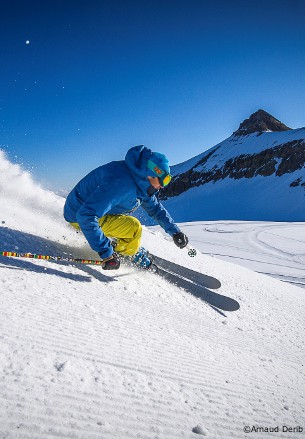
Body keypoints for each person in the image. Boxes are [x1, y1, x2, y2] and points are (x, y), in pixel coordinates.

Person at [64, 145, 188, 270]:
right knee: (134, 228)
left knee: (126, 224)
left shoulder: (140, 182)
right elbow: (86, 215)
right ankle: (126, 254)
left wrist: (175, 232)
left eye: (168, 180)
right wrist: (107, 254)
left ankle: (124, 246)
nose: (163, 186)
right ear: (152, 173)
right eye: (164, 180)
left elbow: (155, 209)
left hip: (85, 210)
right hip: (78, 216)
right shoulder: (122, 184)